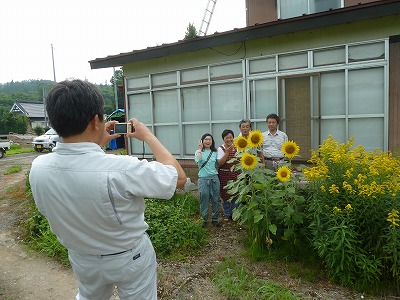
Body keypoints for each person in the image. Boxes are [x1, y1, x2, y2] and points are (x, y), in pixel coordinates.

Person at [29, 79, 187, 300]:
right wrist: (147, 135)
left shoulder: (39, 168)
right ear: (96, 121)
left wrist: (96, 143)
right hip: (129, 257)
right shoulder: (122, 168)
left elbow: (76, 175)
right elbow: (178, 178)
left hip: (82, 258)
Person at [195, 133, 220, 227]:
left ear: (212, 141)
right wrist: (200, 149)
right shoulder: (198, 152)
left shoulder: (215, 152)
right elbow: (198, 160)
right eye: (206, 139)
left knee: (215, 199)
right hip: (203, 179)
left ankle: (215, 219)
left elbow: (217, 164)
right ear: (202, 141)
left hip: (214, 178)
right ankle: (204, 219)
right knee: (204, 199)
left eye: (210, 139)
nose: (208, 141)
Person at [217, 129, 239, 221]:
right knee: (225, 194)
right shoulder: (220, 149)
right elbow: (220, 163)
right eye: (227, 138)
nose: (229, 140)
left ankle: (235, 214)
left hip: (235, 174)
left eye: (231, 137)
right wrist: (227, 153)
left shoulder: (237, 147)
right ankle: (227, 213)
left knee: (236, 193)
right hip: (224, 174)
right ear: (223, 139)